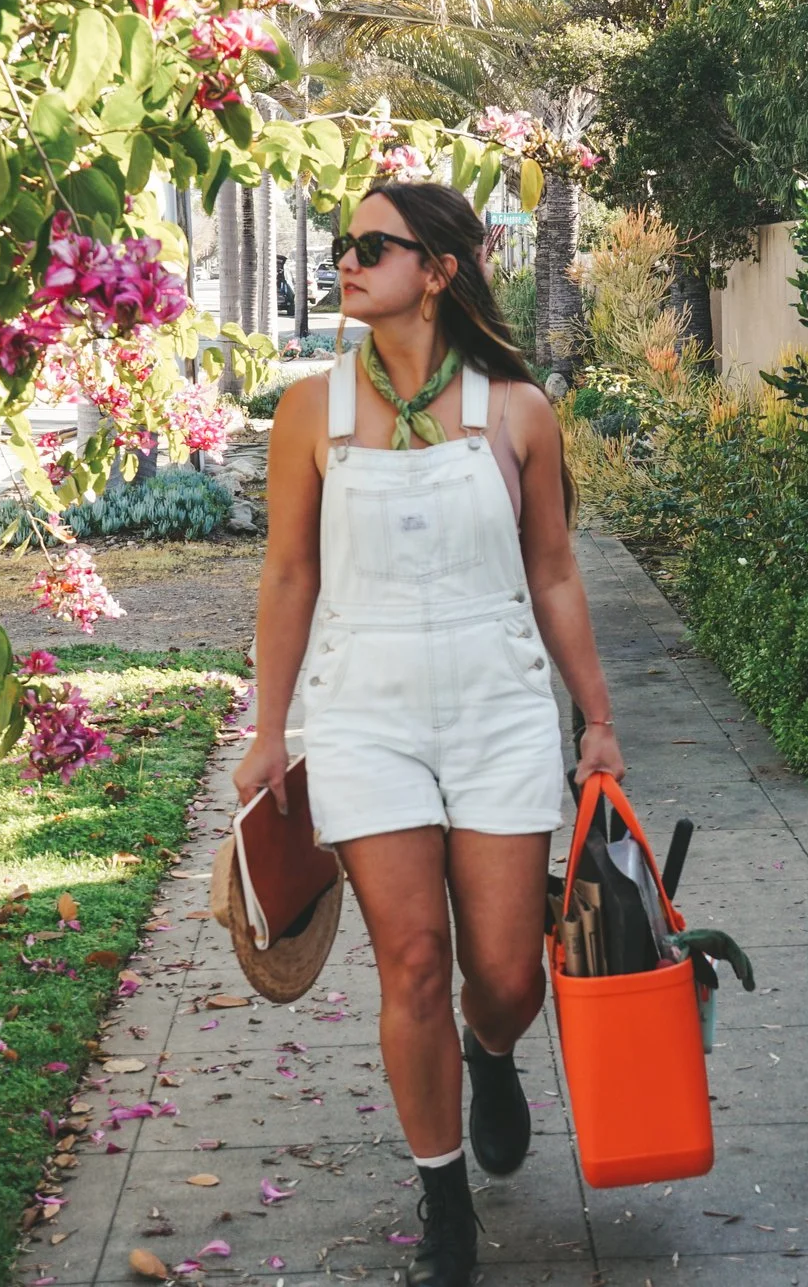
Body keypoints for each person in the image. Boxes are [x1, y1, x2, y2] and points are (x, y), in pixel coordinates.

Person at [234, 181, 624, 1287]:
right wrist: (272, 731)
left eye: (371, 245)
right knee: (412, 958)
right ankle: (442, 1196)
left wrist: (596, 719)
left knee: (504, 975)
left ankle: (489, 1050)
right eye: (342, 243)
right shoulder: (312, 411)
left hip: (498, 710)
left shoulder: (515, 409)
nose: (346, 261)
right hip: (364, 713)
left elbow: (551, 570)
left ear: (439, 270)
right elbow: (290, 572)